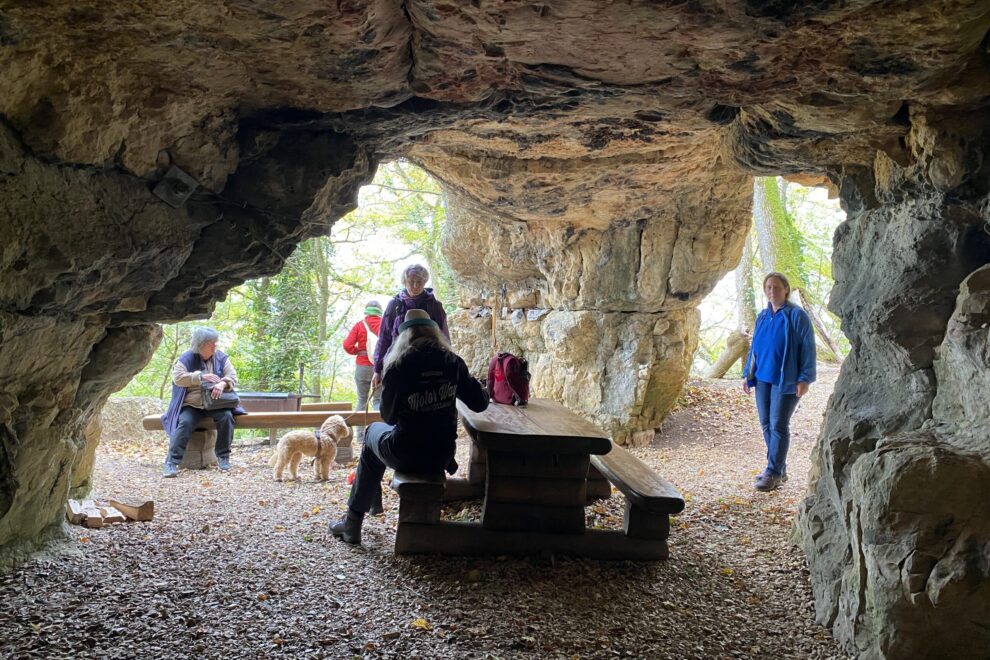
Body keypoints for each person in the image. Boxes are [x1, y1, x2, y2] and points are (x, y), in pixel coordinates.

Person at [329, 309, 489, 544]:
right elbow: (480, 403)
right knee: (376, 440)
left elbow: (388, 418)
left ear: (404, 336)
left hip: (405, 453)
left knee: (372, 432)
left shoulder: (399, 366)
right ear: (434, 333)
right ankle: (371, 503)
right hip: (441, 455)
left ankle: (353, 522)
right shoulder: (453, 362)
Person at [742, 272, 816, 492]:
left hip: (786, 380)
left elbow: (808, 348)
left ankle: (773, 472)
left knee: (778, 425)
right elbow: (755, 348)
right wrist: (747, 374)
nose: (771, 291)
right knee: (766, 424)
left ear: (786, 289)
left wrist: (805, 378)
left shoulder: (797, 316)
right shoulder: (763, 316)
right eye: (768, 287)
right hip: (762, 379)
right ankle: (778, 469)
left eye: (776, 287)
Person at [161, 327, 244, 478]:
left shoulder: (221, 357)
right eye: (211, 343)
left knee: (226, 417)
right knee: (185, 422)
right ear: (201, 344)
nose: (215, 346)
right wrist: (200, 377)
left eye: (215, 342)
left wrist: (222, 383)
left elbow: (232, 376)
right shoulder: (186, 358)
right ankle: (171, 462)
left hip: (216, 402)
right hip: (193, 404)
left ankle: (223, 457)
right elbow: (178, 378)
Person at [371, 264, 449, 393]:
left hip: (428, 365)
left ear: (425, 282)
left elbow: (443, 336)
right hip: (398, 362)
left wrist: (447, 362)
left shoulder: (434, 306)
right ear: (404, 282)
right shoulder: (395, 305)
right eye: (411, 281)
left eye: (419, 282)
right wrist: (377, 369)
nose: (415, 286)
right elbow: (384, 337)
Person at [342, 300, 383, 442]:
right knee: (378, 400)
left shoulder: (359, 325)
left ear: (366, 311)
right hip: (380, 368)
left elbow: (347, 345)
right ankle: (379, 435)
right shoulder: (385, 325)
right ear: (380, 311)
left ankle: (360, 437)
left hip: (362, 367)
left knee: (362, 400)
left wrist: (358, 351)